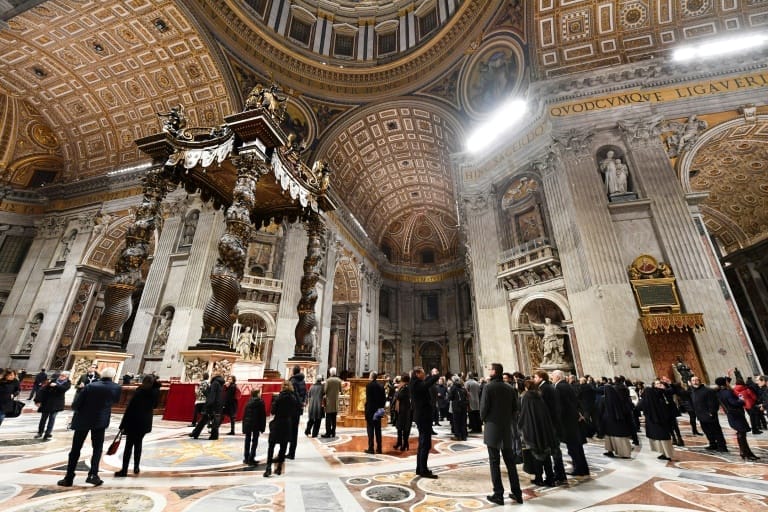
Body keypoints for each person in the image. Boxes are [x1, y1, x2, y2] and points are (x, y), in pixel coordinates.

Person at [58, 367, 121, 487]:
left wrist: (78, 409)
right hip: (100, 421)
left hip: (83, 419)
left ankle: (69, 477)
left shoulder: (91, 386)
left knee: (76, 449)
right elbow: (115, 401)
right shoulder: (116, 387)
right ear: (113, 376)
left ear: (101, 375)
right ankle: (93, 475)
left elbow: (76, 404)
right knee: (97, 449)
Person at [481, 363, 523, 506]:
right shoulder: (510, 388)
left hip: (492, 427)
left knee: (494, 462)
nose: (489, 371)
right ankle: (517, 493)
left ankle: (498, 494)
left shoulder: (488, 387)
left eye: (490, 369)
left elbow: (483, 409)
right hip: (506, 429)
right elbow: (515, 408)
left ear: (494, 372)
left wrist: (485, 419)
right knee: (510, 463)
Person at [115, 375, 160, 476]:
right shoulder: (155, 392)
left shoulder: (139, 391)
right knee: (138, 444)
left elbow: (130, 408)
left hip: (133, 421)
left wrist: (122, 425)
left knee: (128, 447)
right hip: (145, 422)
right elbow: (156, 405)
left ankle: (124, 470)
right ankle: (136, 467)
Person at [518, 379, 558, 487]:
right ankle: (550, 478)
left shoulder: (527, 397)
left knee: (536, 454)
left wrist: (520, 425)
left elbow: (525, 413)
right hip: (543, 427)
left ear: (526, 388)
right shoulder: (539, 395)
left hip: (532, 428)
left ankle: (539, 478)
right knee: (546, 453)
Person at [551, 370, 589, 476]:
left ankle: (579, 469)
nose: (552, 378)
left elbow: (563, 405)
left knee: (573, 447)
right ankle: (582, 468)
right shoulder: (566, 385)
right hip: (572, 419)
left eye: (553, 376)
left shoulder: (559, 387)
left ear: (558, 377)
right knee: (576, 446)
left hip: (567, 421)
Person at [534, 370, 567, 484]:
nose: (534, 380)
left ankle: (556, 475)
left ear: (541, 378)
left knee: (552, 449)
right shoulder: (550, 387)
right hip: (554, 423)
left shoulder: (545, 389)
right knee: (555, 449)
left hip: (550, 424)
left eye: (535, 377)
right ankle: (559, 474)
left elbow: (545, 408)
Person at [716, 376, 758, 461]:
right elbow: (733, 403)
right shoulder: (727, 392)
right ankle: (746, 452)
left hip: (731, 415)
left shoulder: (719, 392)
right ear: (725, 383)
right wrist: (741, 400)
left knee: (740, 433)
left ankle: (745, 452)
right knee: (742, 434)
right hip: (736, 414)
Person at [263, 380, 299, 477]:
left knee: (271, 446)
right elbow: (295, 411)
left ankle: (268, 468)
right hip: (287, 423)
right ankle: (279, 468)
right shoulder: (293, 398)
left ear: (282, 387)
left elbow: (273, 411)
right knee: (283, 447)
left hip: (277, 423)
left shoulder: (279, 398)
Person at [412, 366, 441, 478]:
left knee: (422, 443)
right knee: (425, 444)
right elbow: (426, 384)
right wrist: (436, 375)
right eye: (423, 373)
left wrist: (430, 376)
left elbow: (425, 382)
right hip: (423, 417)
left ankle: (420, 468)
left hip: (422, 416)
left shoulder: (415, 382)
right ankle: (423, 470)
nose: (424, 375)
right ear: (417, 373)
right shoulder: (416, 384)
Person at [637, 380, 675, 461]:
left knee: (659, 439)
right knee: (664, 438)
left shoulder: (645, 401)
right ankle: (666, 454)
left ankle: (665, 454)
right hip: (662, 422)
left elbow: (637, 408)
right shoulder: (660, 400)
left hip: (653, 422)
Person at [599, 379, 636, 459]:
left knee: (609, 437)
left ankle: (610, 451)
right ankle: (625, 453)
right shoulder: (618, 398)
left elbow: (600, 410)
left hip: (608, 421)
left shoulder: (603, 399)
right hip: (618, 420)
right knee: (620, 437)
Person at [690, 375, 727, 452]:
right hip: (700, 415)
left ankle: (722, 446)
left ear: (699, 381)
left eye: (696, 380)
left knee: (716, 431)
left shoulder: (708, 390)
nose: (695, 382)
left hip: (710, 415)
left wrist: (712, 412)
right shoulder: (693, 391)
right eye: (693, 380)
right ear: (691, 382)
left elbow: (713, 403)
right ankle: (712, 444)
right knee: (707, 431)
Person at [35, 370, 71, 440]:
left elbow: (64, 389)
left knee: (52, 418)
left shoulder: (67, 383)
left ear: (67, 377)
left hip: (57, 403)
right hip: (47, 402)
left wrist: (56, 385)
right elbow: (44, 389)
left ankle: (48, 433)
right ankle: (40, 432)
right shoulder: (54, 380)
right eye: (61, 375)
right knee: (43, 418)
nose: (61, 376)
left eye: (63, 375)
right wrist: (38, 400)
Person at [190, 371, 225, 440]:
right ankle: (197, 433)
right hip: (218, 404)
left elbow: (212, 396)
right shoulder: (220, 383)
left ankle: (196, 433)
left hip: (212, 405)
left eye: (212, 374)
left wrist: (208, 405)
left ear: (215, 375)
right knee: (211, 420)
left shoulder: (215, 383)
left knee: (204, 420)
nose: (211, 375)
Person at [242, 388, 266, 465]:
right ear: (257, 394)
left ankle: (246, 457)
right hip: (256, 424)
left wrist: (244, 427)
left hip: (248, 423)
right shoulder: (261, 402)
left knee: (247, 440)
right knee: (254, 441)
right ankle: (251, 458)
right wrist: (262, 427)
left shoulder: (248, 402)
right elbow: (263, 416)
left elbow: (244, 415)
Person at [287, 366, 306, 459]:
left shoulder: (293, 381)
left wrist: (299, 403)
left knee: (289, 430)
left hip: (292, 408)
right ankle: (292, 452)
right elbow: (305, 393)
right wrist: (303, 402)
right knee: (295, 431)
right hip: (298, 409)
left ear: (293, 372)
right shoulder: (302, 380)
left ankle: (290, 452)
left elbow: (295, 394)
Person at [364, 371, 386, 454]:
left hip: (370, 411)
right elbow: (384, 399)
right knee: (378, 430)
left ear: (371, 377)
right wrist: (380, 408)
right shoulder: (381, 386)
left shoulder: (369, 385)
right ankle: (379, 448)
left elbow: (368, 399)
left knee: (370, 429)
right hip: (378, 410)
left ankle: (371, 448)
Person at [393, 373, 412, 451]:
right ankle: (399, 442)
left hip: (405, 411)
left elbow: (399, 396)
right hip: (401, 410)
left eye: (401, 380)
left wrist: (397, 391)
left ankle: (405, 444)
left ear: (404, 381)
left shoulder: (406, 388)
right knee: (399, 427)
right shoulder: (403, 387)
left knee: (405, 428)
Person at [322, 367, 342, 438]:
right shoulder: (339, 380)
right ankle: (333, 432)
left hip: (329, 402)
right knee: (334, 419)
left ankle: (328, 433)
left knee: (328, 419)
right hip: (335, 402)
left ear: (330, 373)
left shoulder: (328, 380)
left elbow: (325, 390)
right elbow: (341, 390)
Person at [448, 375, 469, 441]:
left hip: (456, 407)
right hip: (463, 406)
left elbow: (450, 397)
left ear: (453, 381)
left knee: (457, 422)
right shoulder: (462, 387)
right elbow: (466, 395)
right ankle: (464, 436)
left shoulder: (453, 387)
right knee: (463, 421)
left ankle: (458, 436)